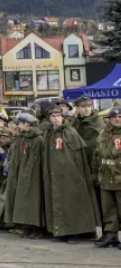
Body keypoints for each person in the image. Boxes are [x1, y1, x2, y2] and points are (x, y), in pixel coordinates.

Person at [42, 103, 99, 243]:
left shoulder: (70, 132)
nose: (55, 119)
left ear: (63, 117)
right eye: (53, 116)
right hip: (54, 173)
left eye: (58, 116)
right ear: (49, 118)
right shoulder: (49, 133)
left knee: (72, 202)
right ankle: (61, 231)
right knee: (57, 202)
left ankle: (74, 232)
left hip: (71, 173)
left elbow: (79, 156)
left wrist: (78, 174)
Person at [4, 112, 44, 238]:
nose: (18, 127)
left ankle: (38, 227)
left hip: (34, 175)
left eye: (20, 124)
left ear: (27, 124)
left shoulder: (38, 139)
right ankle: (28, 225)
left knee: (34, 201)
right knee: (25, 201)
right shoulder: (24, 137)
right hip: (23, 173)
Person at [93, 107, 121, 248]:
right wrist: (95, 173)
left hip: (120, 176)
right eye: (114, 117)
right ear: (109, 119)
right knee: (109, 208)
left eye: (120, 116)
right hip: (105, 176)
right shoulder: (103, 133)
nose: (117, 119)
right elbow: (97, 154)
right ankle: (110, 234)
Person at [73, 96, 104, 166]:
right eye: (83, 107)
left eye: (89, 106)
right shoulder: (74, 122)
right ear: (77, 108)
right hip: (78, 157)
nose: (87, 109)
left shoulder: (98, 121)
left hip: (94, 157)